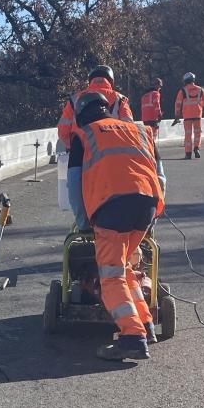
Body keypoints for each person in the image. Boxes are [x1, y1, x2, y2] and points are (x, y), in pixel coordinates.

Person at [67, 91, 166, 361]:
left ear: (80, 116)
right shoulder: (141, 130)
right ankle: (145, 324)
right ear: (106, 109)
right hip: (146, 205)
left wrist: (82, 221)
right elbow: (160, 176)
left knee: (110, 276)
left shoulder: (84, 136)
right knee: (124, 267)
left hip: (111, 209)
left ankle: (131, 338)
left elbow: (74, 185)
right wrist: (153, 212)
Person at [58, 65, 133, 151]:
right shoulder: (120, 99)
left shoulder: (74, 99)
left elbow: (63, 130)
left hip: (82, 151)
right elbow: (129, 127)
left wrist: (72, 148)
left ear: (90, 81)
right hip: (109, 151)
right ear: (111, 81)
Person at [174, 72, 204, 159]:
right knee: (197, 133)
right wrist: (200, 105)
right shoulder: (200, 89)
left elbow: (178, 104)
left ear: (185, 81)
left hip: (187, 116)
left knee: (188, 135)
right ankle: (197, 148)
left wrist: (177, 114)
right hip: (197, 115)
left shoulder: (182, 91)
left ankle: (188, 153)